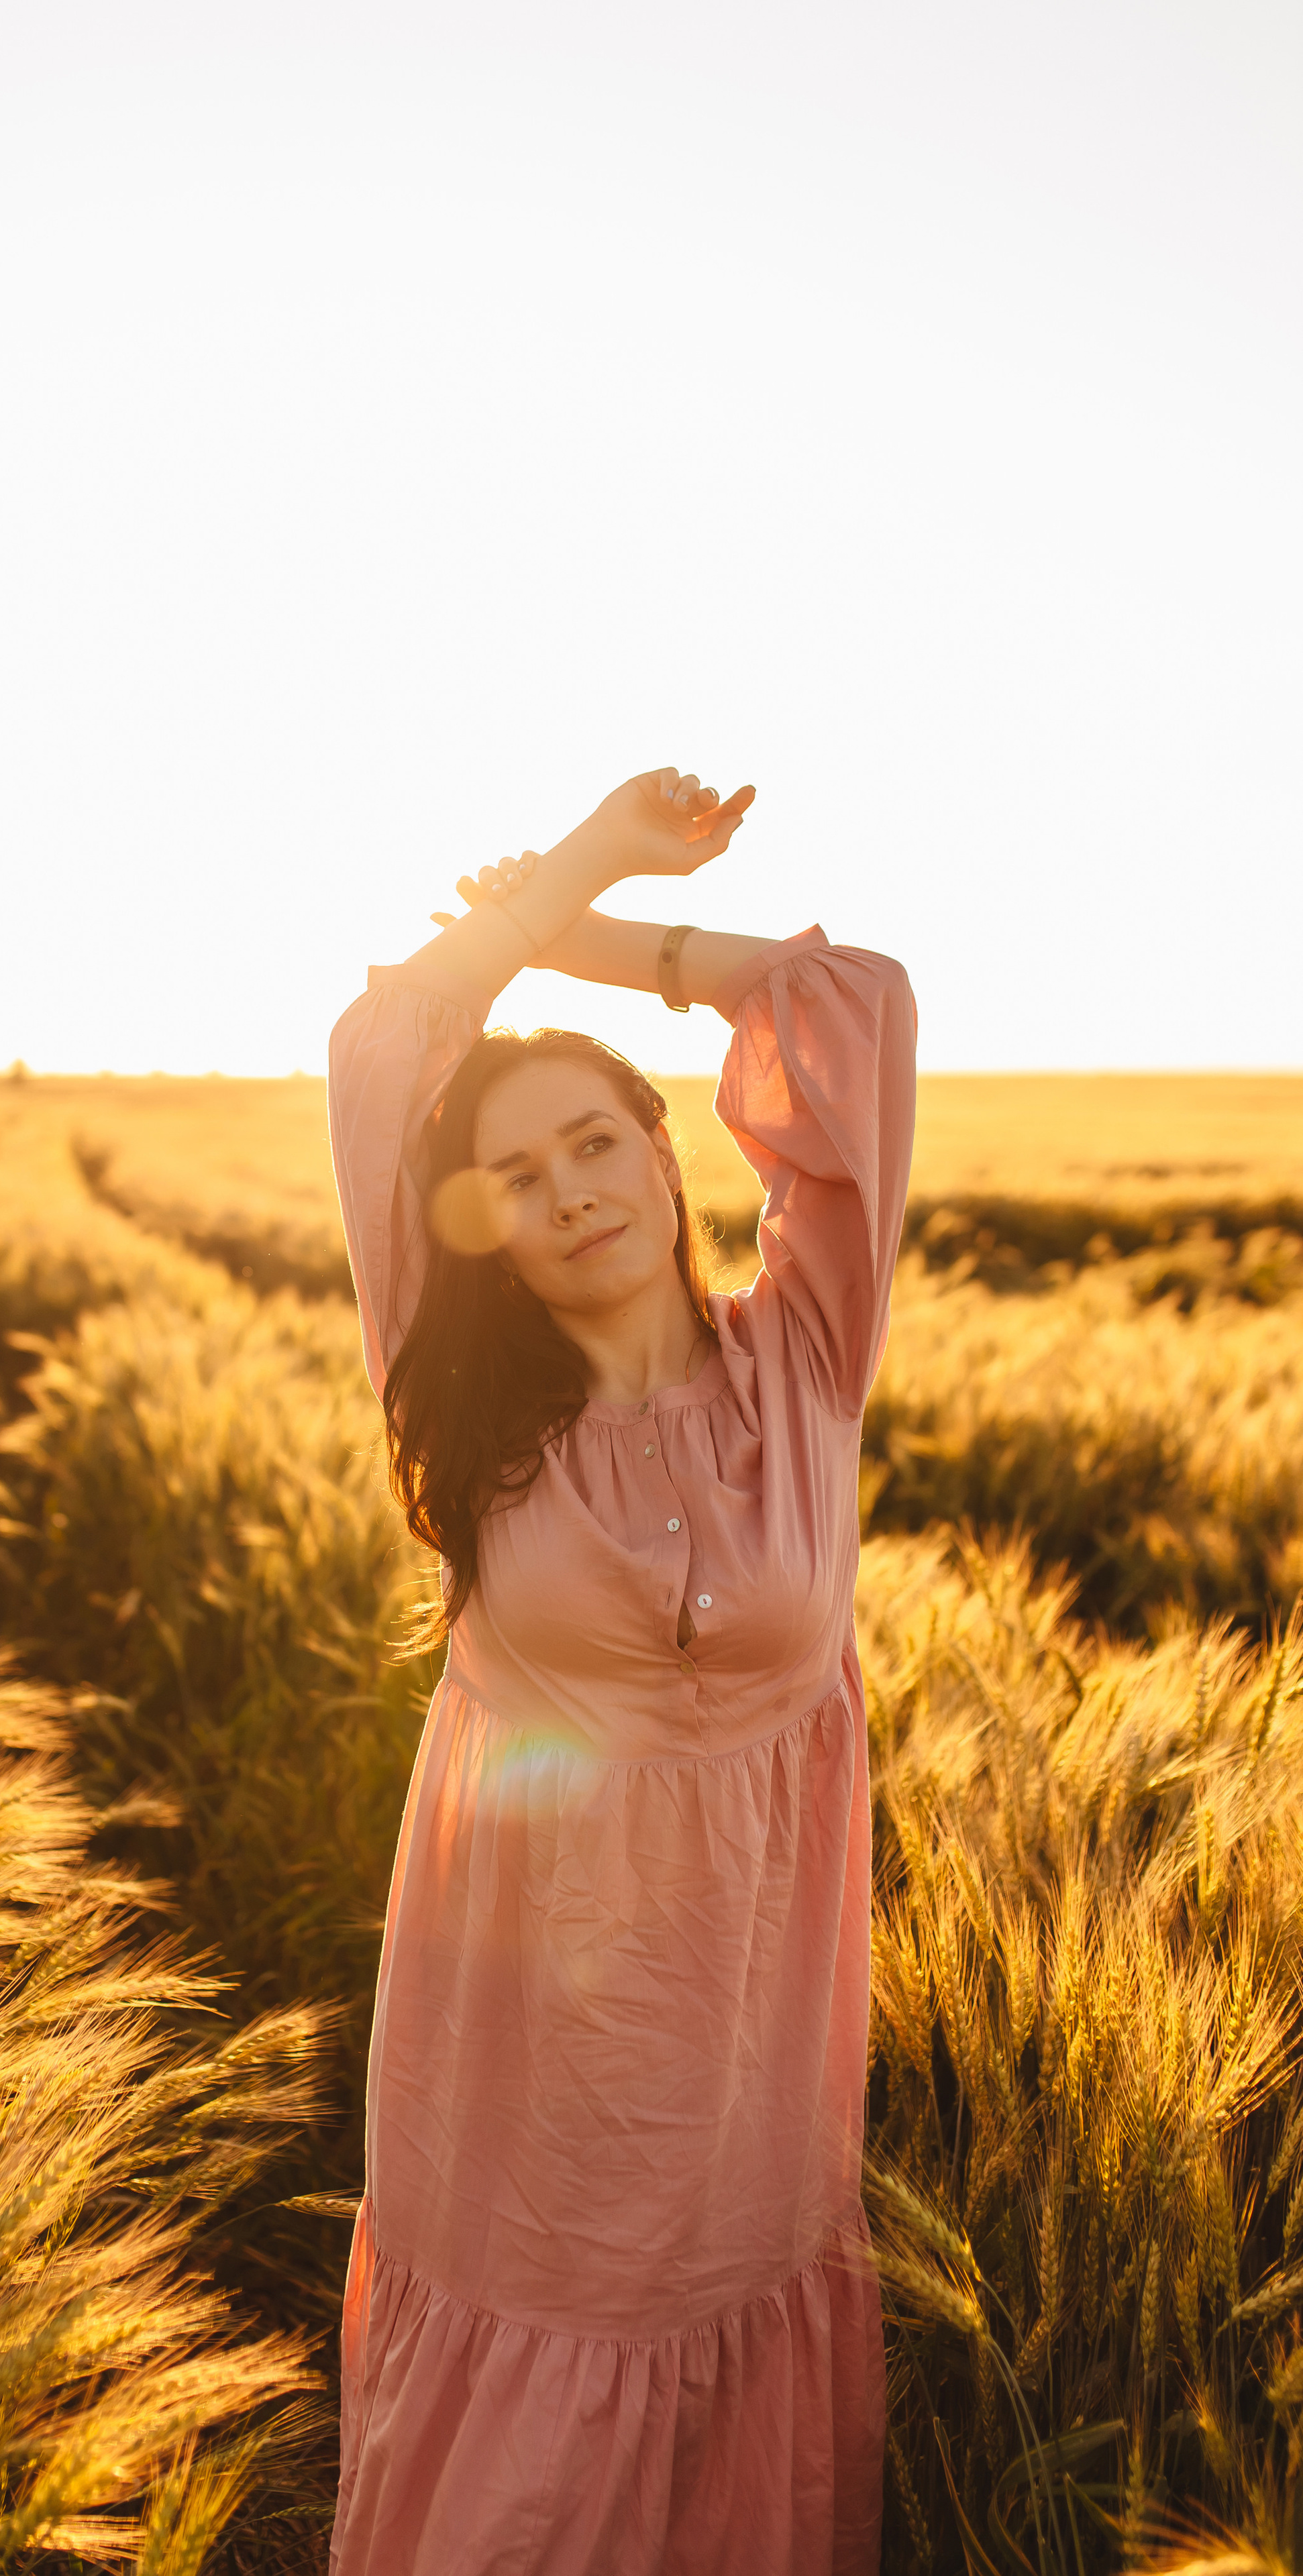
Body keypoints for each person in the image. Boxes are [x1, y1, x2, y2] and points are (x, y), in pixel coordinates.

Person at [325, 765, 917, 2574]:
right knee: (529, 2421)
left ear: (671, 1160)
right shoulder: (461, 1392)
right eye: (512, 1175)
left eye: (595, 1142)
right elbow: (386, 1044)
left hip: (749, 2017)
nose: (566, 1189)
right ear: (476, 1230)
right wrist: (577, 852)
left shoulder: (808, 1355)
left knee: (734, 2341)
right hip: (528, 2057)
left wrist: (603, 941)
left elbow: (858, 1006)